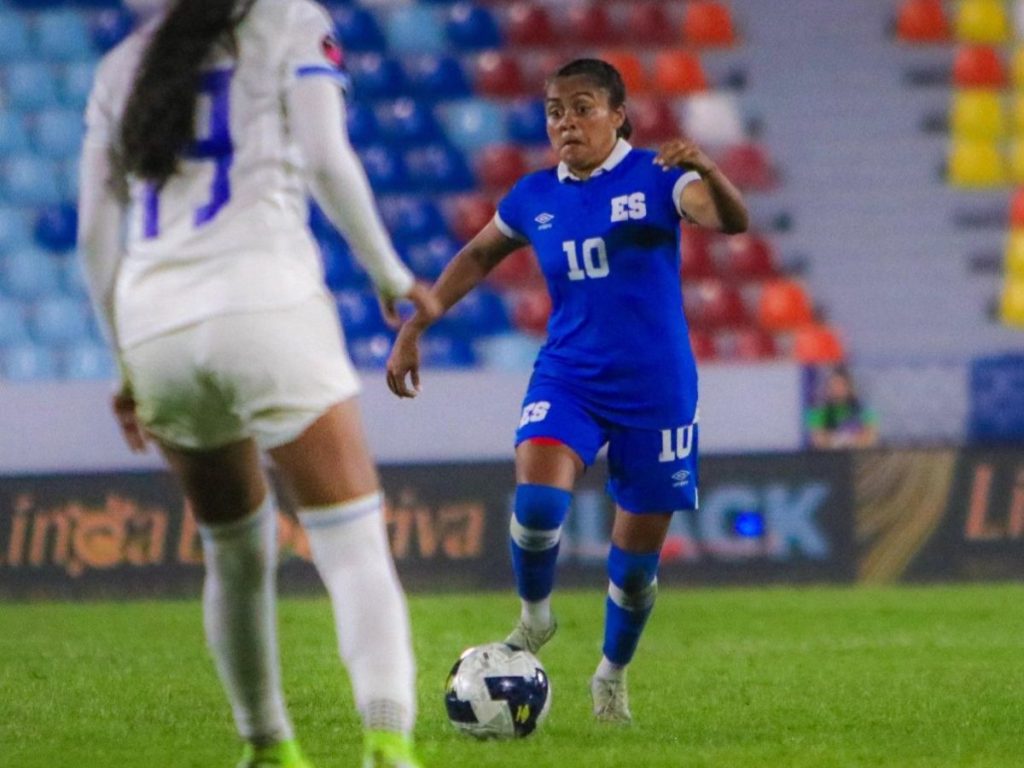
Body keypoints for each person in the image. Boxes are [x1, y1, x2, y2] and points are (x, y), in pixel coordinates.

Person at [76, 1, 440, 766]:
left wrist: (124, 364)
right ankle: (385, 739)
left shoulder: (122, 65)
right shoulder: (287, 22)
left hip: (155, 324)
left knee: (234, 554)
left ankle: (268, 745)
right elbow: (324, 155)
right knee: (352, 545)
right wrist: (390, 272)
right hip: (263, 302)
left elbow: (94, 232)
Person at [386, 58, 749, 723]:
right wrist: (417, 325)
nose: (567, 122)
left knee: (634, 570)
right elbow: (476, 257)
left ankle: (610, 676)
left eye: (583, 107)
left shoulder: (659, 177)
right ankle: (534, 619)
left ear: (618, 114)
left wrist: (710, 170)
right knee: (538, 498)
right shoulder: (532, 196)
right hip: (570, 375)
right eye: (556, 110)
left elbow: (730, 221)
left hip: (657, 389)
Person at [806, 365, 879, 449]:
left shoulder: (863, 409)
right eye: (833, 385)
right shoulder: (818, 412)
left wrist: (850, 442)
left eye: (841, 384)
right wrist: (839, 441)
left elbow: (871, 437)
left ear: (849, 386)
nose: (837, 389)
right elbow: (818, 440)